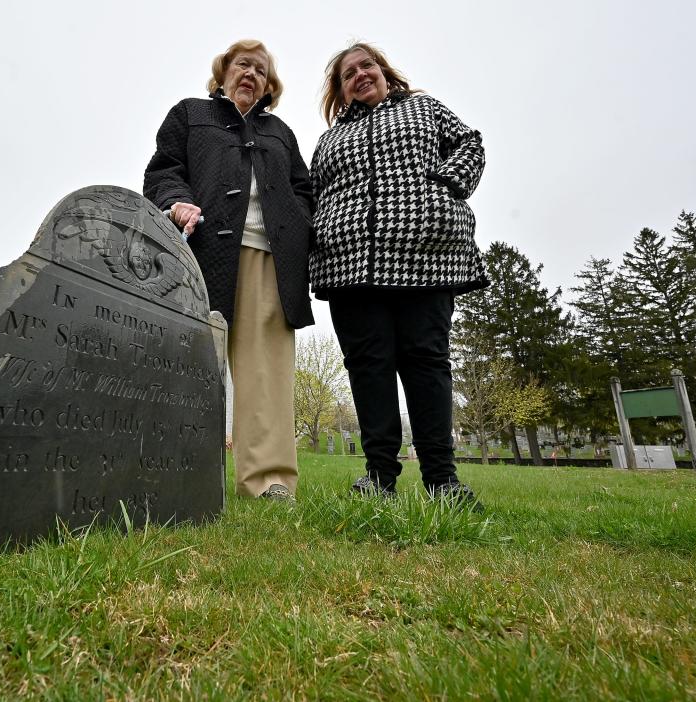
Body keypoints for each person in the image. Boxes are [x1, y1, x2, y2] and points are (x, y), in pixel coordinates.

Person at [310, 42, 487, 508]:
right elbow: (310, 195)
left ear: (384, 71)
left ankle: (442, 479)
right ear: (340, 90)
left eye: (366, 65)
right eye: (348, 74)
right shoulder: (328, 140)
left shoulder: (424, 109)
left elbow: (471, 143)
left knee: (426, 360)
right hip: (349, 264)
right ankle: (379, 476)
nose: (359, 75)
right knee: (368, 367)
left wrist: (444, 185)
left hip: (425, 255)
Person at [143, 40, 314, 500]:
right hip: (200, 253)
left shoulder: (280, 131)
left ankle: (267, 482)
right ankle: (171, 475)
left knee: (267, 374)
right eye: (243, 65)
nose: (251, 74)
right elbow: (163, 169)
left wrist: (297, 225)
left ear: (269, 86)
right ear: (223, 73)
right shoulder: (190, 113)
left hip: (269, 259)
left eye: (261, 70)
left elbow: (304, 189)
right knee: (186, 364)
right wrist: (174, 202)